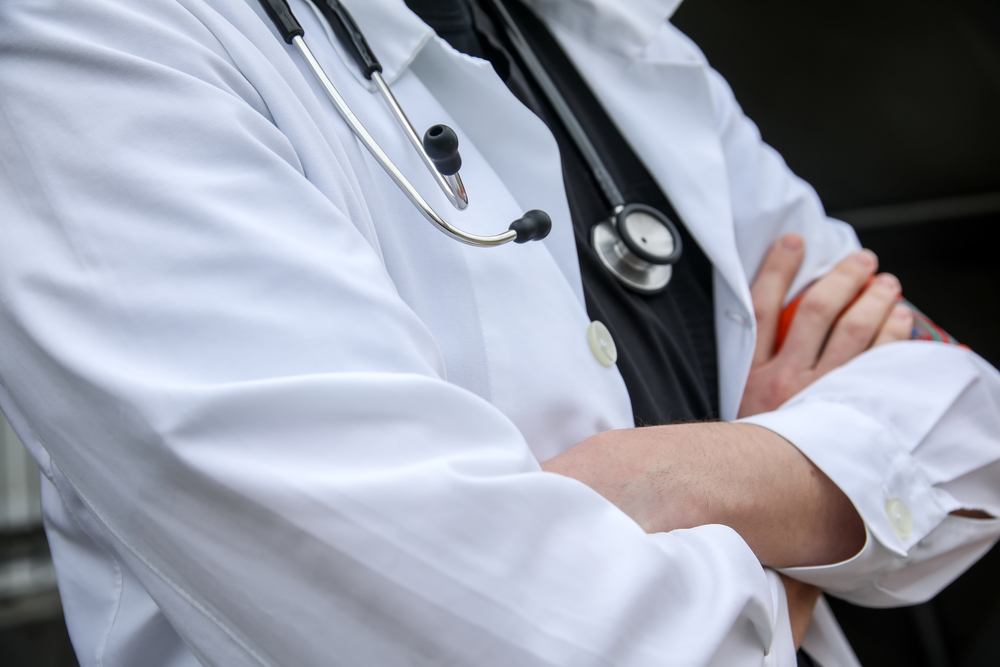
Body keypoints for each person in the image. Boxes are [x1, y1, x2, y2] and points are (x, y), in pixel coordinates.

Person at [0, 0, 997, 665]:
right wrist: (812, 521)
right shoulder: (86, 47)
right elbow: (500, 646)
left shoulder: (601, 35)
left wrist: (691, 477)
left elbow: (971, 433)